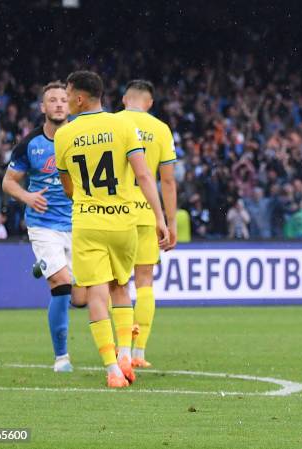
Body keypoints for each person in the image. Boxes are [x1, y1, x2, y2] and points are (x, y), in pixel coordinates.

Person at [54, 71, 169, 388]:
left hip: (88, 223)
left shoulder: (64, 135)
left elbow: (68, 189)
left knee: (96, 294)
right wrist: (159, 218)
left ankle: (112, 370)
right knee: (122, 287)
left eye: (67, 94)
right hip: (124, 221)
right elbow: (145, 176)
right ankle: (125, 351)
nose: (65, 100)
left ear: (80, 98)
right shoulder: (123, 126)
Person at [2, 81, 83, 372]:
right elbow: (8, 182)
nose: (60, 104)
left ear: (71, 103)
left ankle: (44, 266)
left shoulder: (81, 138)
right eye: (53, 100)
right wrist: (27, 196)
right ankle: (61, 358)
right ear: (43, 107)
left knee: (82, 299)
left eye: (64, 99)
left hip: (78, 223)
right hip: (43, 224)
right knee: (61, 284)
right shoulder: (29, 144)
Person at [115, 79, 177, 368]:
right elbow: (167, 180)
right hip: (148, 215)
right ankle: (139, 353)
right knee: (144, 283)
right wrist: (169, 221)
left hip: (114, 214)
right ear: (150, 103)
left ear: (124, 99)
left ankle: (121, 349)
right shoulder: (161, 129)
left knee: (117, 284)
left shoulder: (112, 123)